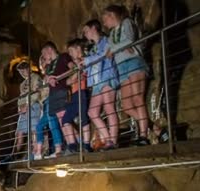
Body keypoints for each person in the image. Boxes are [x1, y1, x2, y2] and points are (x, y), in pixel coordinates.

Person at [103, 4, 150, 146]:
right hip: (121, 67)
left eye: (105, 18)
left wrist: (116, 49)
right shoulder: (111, 34)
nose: (104, 22)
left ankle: (143, 136)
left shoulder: (127, 23)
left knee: (137, 99)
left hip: (133, 62)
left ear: (112, 15)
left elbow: (129, 39)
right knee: (127, 105)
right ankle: (155, 128)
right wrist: (119, 48)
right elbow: (112, 49)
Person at [82, 19, 119, 150]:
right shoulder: (92, 50)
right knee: (92, 112)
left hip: (107, 76)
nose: (85, 34)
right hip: (97, 81)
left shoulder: (107, 40)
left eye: (86, 31)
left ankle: (112, 141)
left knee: (109, 108)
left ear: (93, 28)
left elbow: (105, 55)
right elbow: (91, 64)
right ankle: (108, 139)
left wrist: (86, 60)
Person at [61, 39, 92, 153]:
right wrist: (74, 75)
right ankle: (73, 144)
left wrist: (74, 75)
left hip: (82, 91)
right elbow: (68, 81)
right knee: (65, 119)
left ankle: (87, 144)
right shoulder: (74, 65)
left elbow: (79, 76)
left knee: (84, 118)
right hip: (74, 94)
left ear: (78, 49)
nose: (70, 54)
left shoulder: (83, 61)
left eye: (71, 51)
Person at [41, 41, 71, 156]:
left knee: (64, 119)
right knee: (60, 119)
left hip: (62, 89)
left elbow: (73, 68)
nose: (44, 57)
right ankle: (71, 143)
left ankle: (73, 144)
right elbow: (46, 78)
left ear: (49, 50)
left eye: (44, 53)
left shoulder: (64, 57)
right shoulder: (49, 66)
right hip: (53, 93)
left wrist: (59, 78)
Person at [34, 55, 62, 160]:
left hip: (52, 100)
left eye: (43, 61)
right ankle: (38, 151)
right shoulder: (43, 77)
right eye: (41, 62)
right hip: (45, 103)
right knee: (39, 126)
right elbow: (41, 95)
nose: (42, 64)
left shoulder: (51, 73)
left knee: (53, 124)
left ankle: (58, 150)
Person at [14, 60, 41, 158]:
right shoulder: (22, 84)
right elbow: (20, 97)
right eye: (20, 72)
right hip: (23, 110)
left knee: (33, 130)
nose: (22, 73)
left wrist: (27, 104)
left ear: (28, 69)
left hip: (33, 106)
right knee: (19, 132)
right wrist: (19, 107)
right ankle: (16, 155)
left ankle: (34, 152)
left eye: (23, 71)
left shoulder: (36, 78)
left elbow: (36, 92)